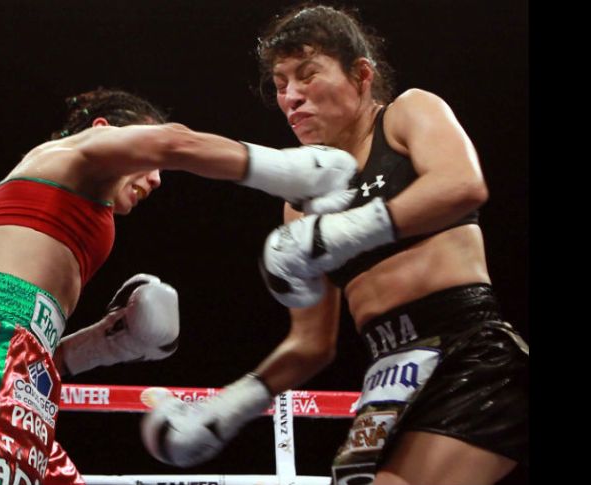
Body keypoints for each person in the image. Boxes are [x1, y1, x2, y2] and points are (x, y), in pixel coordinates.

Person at [0, 87, 362, 485]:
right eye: (147, 162)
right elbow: (176, 143)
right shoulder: (71, 155)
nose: (156, 179)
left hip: (12, 366)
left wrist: (108, 343)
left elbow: (34, 349)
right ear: (104, 130)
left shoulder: (76, 211)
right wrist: (293, 172)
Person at [141, 5, 529, 485]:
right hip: (390, 372)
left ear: (361, 74)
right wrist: (228, 406)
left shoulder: (407, 114)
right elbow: (312, 344)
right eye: (281, 84)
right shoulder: (301, 202)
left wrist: (342, 232)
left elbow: (462, 185)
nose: (291, 97)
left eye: (307, 76)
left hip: (468, 354)